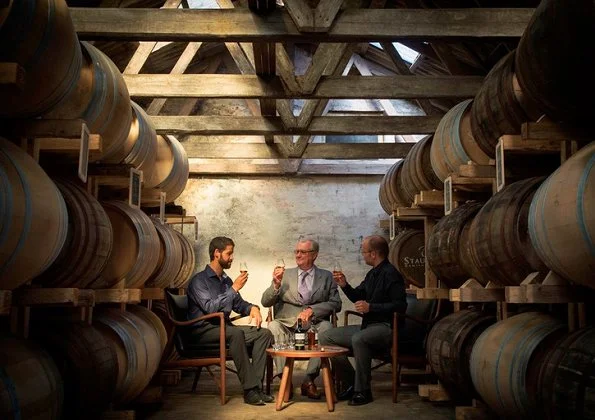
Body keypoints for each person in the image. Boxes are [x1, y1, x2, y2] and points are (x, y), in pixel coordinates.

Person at [319, 235, 407, 406]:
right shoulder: (372, 274)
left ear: (373, 254)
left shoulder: (391, 274)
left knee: (359, 339)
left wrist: (371, 307)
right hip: (368, 326)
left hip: (387, 327)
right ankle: (352, 382)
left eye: (364, 251)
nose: (363, 254)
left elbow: (400, 305)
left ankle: (363, 391)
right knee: (326, 337)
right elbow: (358, 296)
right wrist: (344, 285)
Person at [186, 236, 274, 406]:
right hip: (202, 330)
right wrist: (233, 289)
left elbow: (239, 304)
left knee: (264, 334)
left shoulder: (225, 280)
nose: (232, 257)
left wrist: (253, 308)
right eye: (229, 253)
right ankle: (250, 390)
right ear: (217, 253)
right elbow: (210, 308)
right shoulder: (199, 281)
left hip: (222, 329)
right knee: (235, 333)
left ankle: (256, 388)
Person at [261, 238, 342, 399]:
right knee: (274, 326)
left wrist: (313, 310)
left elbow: (336, 304)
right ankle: (285, 381)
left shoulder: (326, 276)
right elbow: (265, 302)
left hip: (314, 326)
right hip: (287, 325)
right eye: (296, 251)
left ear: (314, 255)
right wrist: (275, 285)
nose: (298, 255)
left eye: (302, 252)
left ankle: (308, 380)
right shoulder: (284, 274)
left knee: (327, 328)